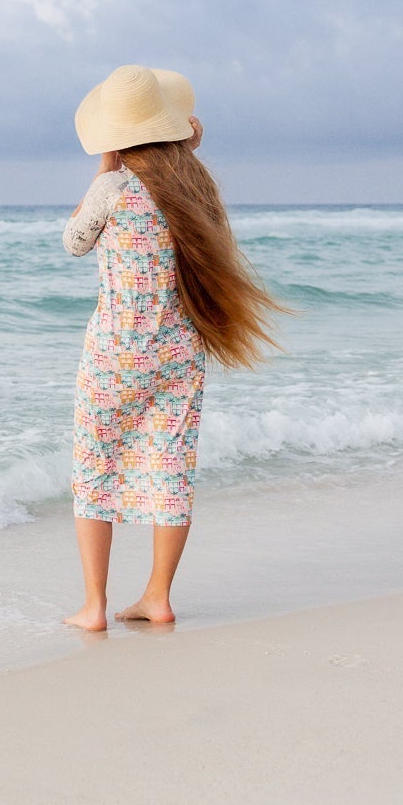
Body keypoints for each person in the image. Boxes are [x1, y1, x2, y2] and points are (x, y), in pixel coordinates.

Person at [60, 64, 284, 631]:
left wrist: (104, 167)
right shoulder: (195, 185)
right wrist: (190, 146)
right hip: (178, 350)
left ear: (113, 135)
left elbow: (74, 243)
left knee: (94, 468)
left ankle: (94, 607)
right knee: (171, 468)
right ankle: (156, 597)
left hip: (116, 350)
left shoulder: (111, 187)